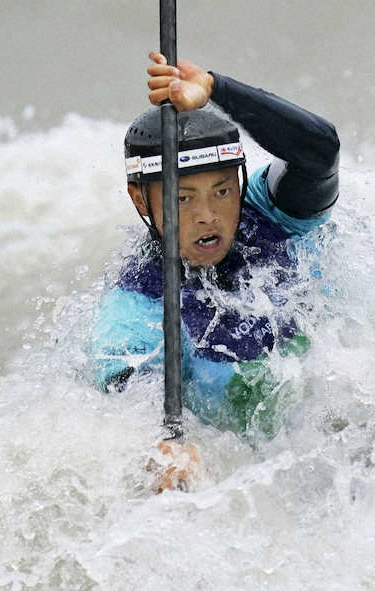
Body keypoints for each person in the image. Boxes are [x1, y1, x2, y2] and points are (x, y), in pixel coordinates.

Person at [89, 52, 340, 490]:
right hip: (266, 472)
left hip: (341, 419)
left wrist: (216, 88)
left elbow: (320, 151)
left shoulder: (273, 215)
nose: (208, 216)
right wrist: (163, 446)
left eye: (222, 191)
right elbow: (131, 400)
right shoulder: (136, 305)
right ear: (140, 199)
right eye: (183, 198)